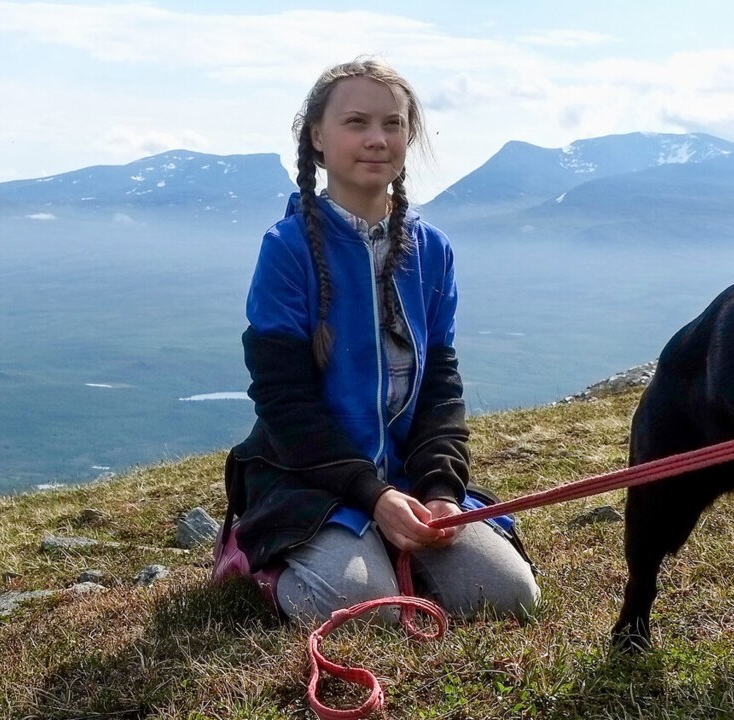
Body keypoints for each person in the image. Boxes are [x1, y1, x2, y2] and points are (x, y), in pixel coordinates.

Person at [214, 57, 539, 626]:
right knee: (364, 614)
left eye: (392, 124)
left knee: (509, 597)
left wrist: (440, 488)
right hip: (310, 478)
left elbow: (440, 387)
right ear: (317, 136)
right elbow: (284, 402)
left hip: (409, 476)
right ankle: (257, 551)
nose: (376, 139)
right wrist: (373, 496)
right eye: (356, 122)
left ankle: (385, 551)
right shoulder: (286, 251)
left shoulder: (432, 251)